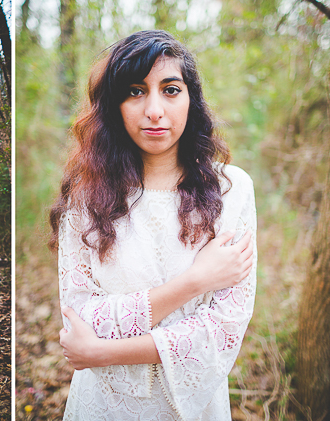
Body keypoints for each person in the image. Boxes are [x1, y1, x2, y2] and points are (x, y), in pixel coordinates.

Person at [49, 30, 257, 420]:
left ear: (191, 99)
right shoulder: (85, 197)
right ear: (114, 106)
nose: (155, 110)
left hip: (195, 408)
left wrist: (103, 352)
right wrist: (196, 282)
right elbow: (80, 317)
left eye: (171, 90)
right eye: (135, 91)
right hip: (104, 405)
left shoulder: (233, 191)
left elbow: (224, 329)